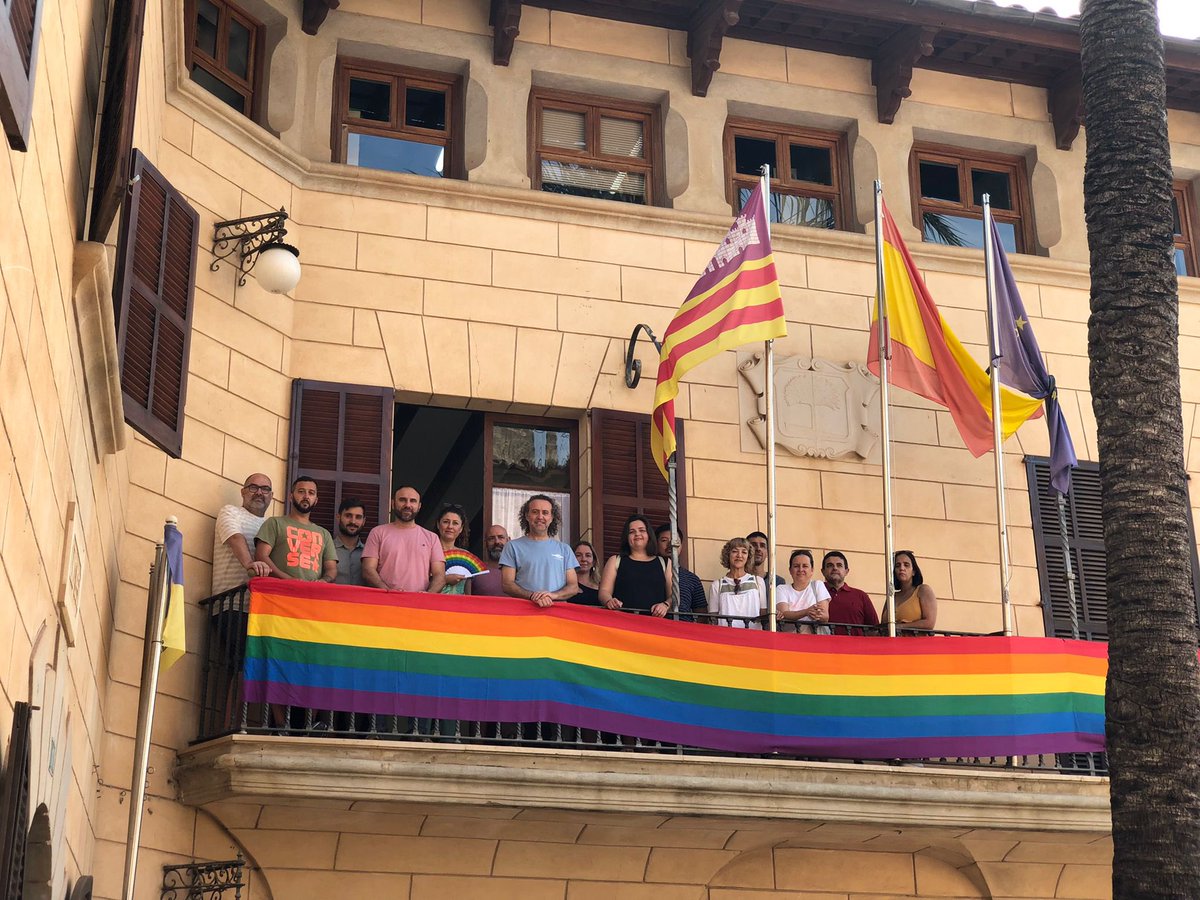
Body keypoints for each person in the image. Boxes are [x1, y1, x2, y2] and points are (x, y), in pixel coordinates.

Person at [499, 494, 579, 607]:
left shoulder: (564, 549)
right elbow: (507, 585)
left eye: (545, 513)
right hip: (523, 612)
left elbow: (573, 587)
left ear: (551, 518)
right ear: (527, 516)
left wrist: (553, 596)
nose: (540, 517)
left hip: (557, 613)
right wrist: (532, 596)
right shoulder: (512, 546)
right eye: (535, 512)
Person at [362, 486, 446, 592]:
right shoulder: (377, 533)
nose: (407, 505)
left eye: (413, 501)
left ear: (419, 506)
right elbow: (368, 570)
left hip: (419, 601)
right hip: (384, 600)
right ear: (393, 503)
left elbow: (439, 576)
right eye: (402, 500)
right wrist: (387, 591)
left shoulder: (432, 538)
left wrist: (428, 595)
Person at [254, 476, 337, 582]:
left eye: (311, 493)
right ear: (291, 496)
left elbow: (331, 569)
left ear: (316, 500)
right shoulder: (274, 523)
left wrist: (323, 581)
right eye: (301, 491)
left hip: (313, 592)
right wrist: (288, 580)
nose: (306, 496)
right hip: (280, 589)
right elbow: (261, 556)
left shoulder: (324, 534)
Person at [211, 473, 273, 598]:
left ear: (271, 496)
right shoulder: (230, 512)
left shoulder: (271, 525)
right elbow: (235, 538)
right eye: (253, 487)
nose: (259, 493)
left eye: (265, 489)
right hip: (230, 602)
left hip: (260, 604)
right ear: (243, 492)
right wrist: (249, 563)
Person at [598, 515, 671, 617]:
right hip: (622, 621)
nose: (637, 534)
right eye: (632, 532)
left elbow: (673, 596)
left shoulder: (664, 562)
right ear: (626, 537)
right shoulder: (615, 560)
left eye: (642, 530)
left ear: (649, 534)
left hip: (655, 623)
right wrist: (609, 600)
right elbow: (604, 591)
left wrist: (665, 605)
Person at [708, 537, 767, 629]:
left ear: (748, 557)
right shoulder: (717, 585)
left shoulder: (758, 581)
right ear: (728, 555)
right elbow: (713, 619)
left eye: (744, 552)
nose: (739, 555)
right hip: (726, 636)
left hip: (753, 635)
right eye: (735, 551)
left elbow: (763, 613)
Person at [654, 524, 706, 620]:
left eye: (675, 541)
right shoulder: (648, 572)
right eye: (664, 540)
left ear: (681, 545)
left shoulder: (692, 579)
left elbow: (702, 616)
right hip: (653, 626)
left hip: (683, 628)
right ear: (656, 544)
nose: (670, 544)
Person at [822, 550, 879, 635]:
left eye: (839, 565)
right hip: (823, 643)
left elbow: (875, 629)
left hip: (855, 643)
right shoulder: (815, 593)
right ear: (823, 571)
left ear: (846, 571)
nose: (835, 568)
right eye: (830, 565)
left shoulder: (861, 596)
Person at [776, 549, 831, 633]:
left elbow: (825, 616)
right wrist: (807, 612)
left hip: (814, 638)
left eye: (805, 566)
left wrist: (794, 615)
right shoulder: (782, 589)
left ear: (812, 570)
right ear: (790, 570)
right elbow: (784, 613)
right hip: (789, 639)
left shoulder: (817, 585)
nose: (800, 569)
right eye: (796, 566)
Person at [886, 550, 938, 632]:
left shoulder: (923, 590)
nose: (902, 568)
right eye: (897, 565)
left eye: (906, 565)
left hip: (915, 640)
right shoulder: (892, 596)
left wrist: (900, 626)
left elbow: (929, 623)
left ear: (913, 571)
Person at [434, 503, 472, 595]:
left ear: (461, 528)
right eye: (446, 522)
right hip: (432, 601)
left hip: (458, 603)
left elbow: (467, 592)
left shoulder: (466, 556)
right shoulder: (428, 552)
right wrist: (445, 579)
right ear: (438, 524)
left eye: (455, 523)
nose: (450, 526)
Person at [333, 497, 366, 586]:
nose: (353, 521)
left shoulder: (369, 553)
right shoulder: (327, 549)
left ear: (364, 521)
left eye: (358, 517)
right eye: (348, 516)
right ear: (338, 517)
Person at [472, 525, 509, 597]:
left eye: (501, 537)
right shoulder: (476, 570)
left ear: (508, 541)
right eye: (491, 538)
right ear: (485, 543)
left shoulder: (520, 570)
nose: (497, 542)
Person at [573, 540, 601, 606]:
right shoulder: (564, 585)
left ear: (594, 561)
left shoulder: (602, 588)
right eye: (578, 555)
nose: (584, 559)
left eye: (588, 555)